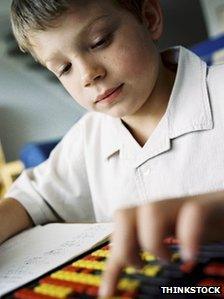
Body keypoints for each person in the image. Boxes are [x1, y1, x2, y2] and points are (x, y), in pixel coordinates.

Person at [1, 0, 224, 296]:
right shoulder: (90, 134)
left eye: (99, 41)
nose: (87, 74)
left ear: (149, 17)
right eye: (64, 68)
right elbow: (30, 199)